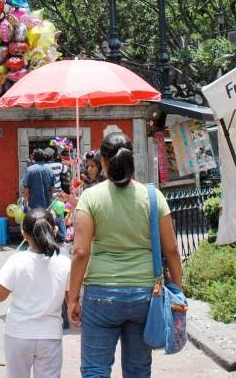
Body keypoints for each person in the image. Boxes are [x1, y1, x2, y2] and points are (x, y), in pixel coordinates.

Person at [67, 131, 182, 377]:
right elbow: (171, 249)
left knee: (95, 370)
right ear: (131, 158)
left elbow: (80, 252)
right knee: (138, 370)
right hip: (145, 294)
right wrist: (178, 291)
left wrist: (72, 298)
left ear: (103, 161)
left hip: (100, 294)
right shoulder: (153, 196)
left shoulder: (90, 197)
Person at [0, 208, 70, 378]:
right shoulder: (64, 262)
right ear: (55, 230)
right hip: (50, 335)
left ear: (23, 233)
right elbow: (71, 299)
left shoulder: (17, 261)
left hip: (18, 334)